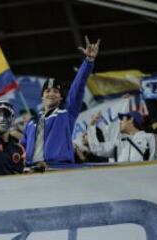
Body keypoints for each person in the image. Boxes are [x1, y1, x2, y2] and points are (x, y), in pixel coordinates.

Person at [21, 36, 100, 165]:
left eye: (56, 91)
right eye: (48, 91)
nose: (51, 94)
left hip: (60, 169)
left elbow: (77, 87)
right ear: (42, 96)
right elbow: (21, 147)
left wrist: (88, 61)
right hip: (32, 172)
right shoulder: (31, 122)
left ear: (61, 97)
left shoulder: (66, 113)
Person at [87, 111, 157, 162]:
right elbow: (96, 149)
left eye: (123, 119)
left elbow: (156, 161)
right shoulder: (118, 143)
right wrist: (91, 126)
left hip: (144, 182)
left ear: (131, 119)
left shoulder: (150, 137)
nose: (120, 122)